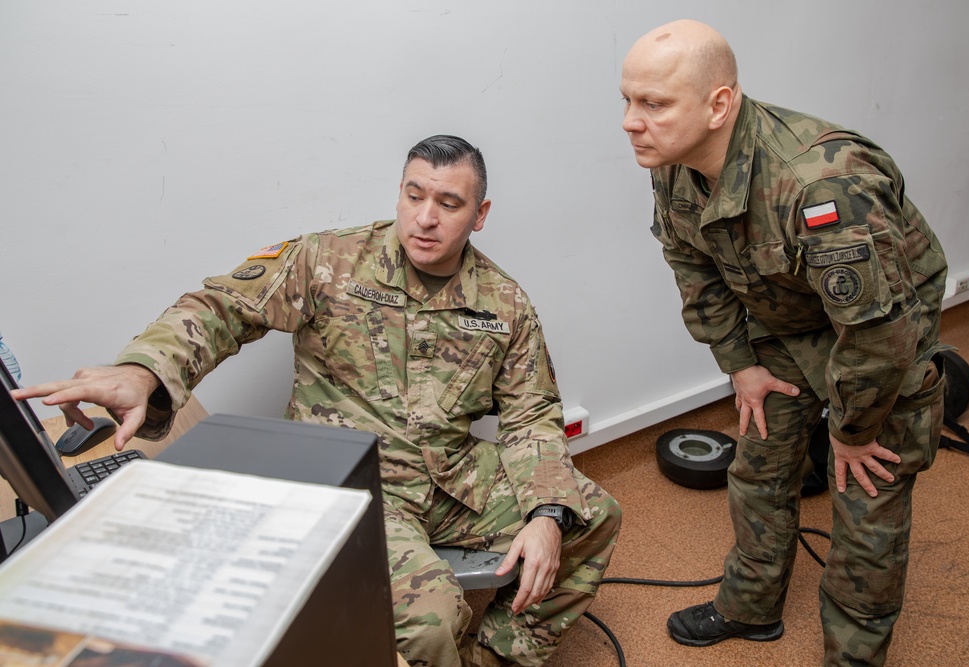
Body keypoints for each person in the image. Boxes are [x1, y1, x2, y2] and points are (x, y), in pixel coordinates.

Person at [13, 135, 621, 667]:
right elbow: (223, 308)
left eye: (449, 203)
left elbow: (532, 415)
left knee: (591, 515)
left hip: (447, 475)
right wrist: (144, 371)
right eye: (414, 195)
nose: (426, 218)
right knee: (433, 619)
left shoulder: (503, 302)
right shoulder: (330, 260)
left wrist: (546, 514)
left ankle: (497, 658)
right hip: (352, 478)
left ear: (480, 214)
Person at [620, 20, 947, 667]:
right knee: (758, 469)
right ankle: (751, 603)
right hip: (786, 323)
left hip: (886, 336)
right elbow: (697, 272)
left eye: (653, 103)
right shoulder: (675, 165)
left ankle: (852, 657)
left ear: (719, 104)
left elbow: (878, 332)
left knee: (866, 507)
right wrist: (740, 365)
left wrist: (851, 430)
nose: (632, 122)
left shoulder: (823, 181)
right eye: (628, 100)